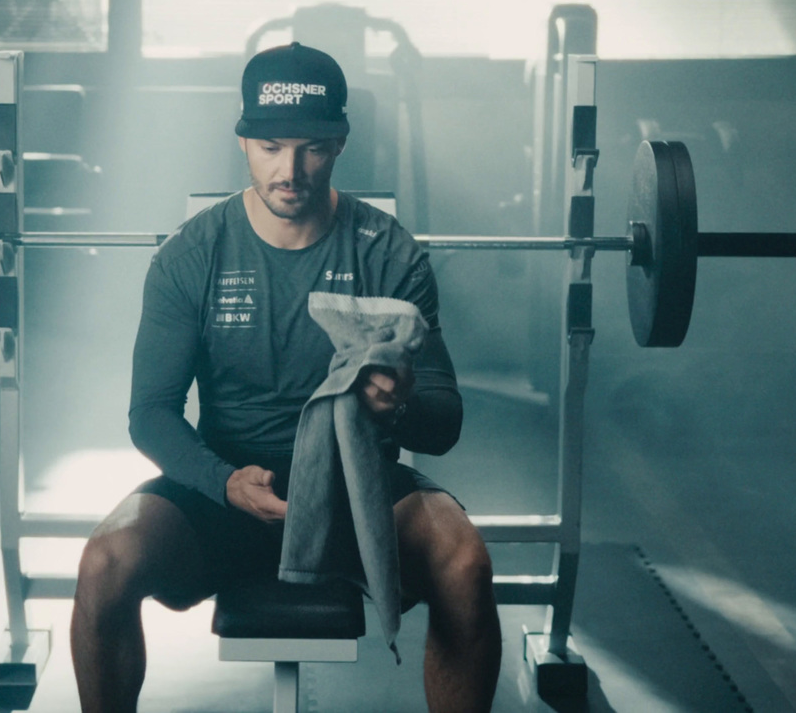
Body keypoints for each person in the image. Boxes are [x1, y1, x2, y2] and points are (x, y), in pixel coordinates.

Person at [71, 43, 500, 713]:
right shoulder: (192, 254)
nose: (290, 170)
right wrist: (222, 481)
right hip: (226, 493)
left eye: (313, 148)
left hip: (357, 494)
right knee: (105, 562)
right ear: (243, 142)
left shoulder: (387, 252)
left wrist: (401, 404)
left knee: (465, 563)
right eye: (271, 146)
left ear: (341, 144)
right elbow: (150, 412)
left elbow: (444, 424)